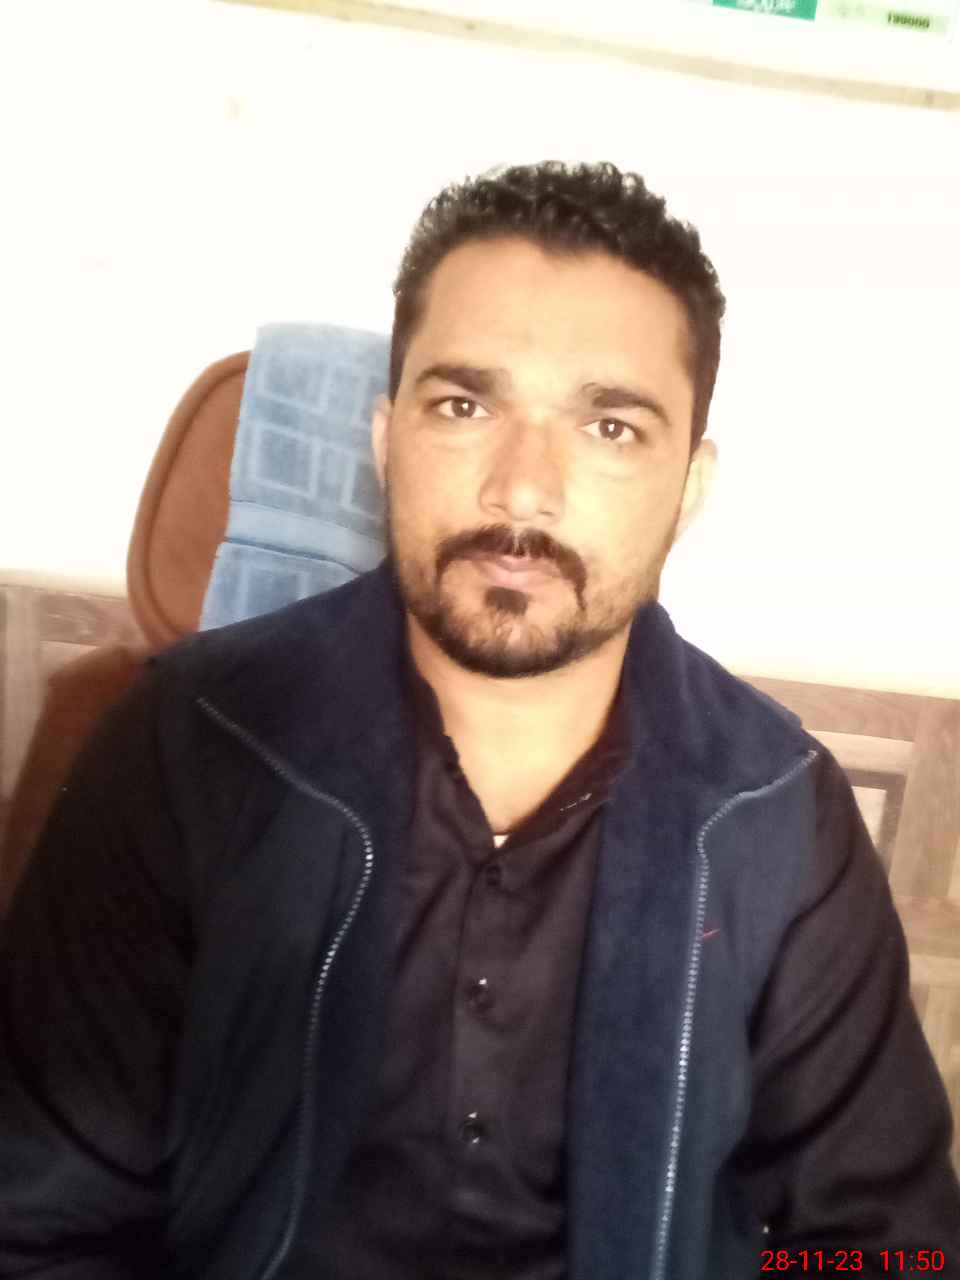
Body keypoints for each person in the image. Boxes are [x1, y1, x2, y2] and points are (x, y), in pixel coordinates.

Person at [1, 161, 957, 1280]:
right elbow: (42, 1220)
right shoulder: (191, 746)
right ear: (385, 440)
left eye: (610, 426)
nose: (522, 489)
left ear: (689, 489)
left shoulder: (776, 814)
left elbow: (885, 1251)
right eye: (464, 405)